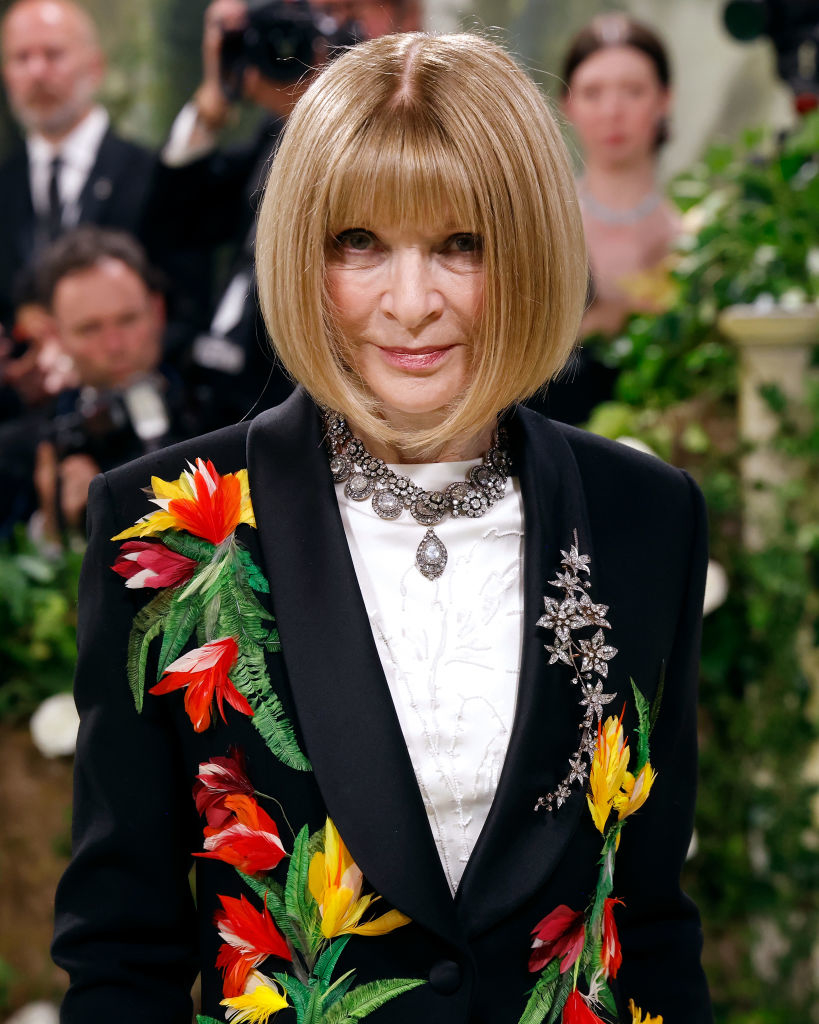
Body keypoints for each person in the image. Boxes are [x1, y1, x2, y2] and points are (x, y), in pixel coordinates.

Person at [52, 32, 712, 1024]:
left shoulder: (646, 517)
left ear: (529, 248)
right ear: (300, 254)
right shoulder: (164, 530)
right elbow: (121, 953)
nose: (412, 304)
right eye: (359, 243)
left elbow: (651, 924)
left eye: (462, 244)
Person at [144, 0, 422, 431]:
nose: (328, 28)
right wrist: (213, 100)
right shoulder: (274, 132)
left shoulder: (419, 145)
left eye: (345, 10)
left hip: (309, 420)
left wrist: (316, 110)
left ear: (407, 20)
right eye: (312, 11)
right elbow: (173, 228)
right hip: (219, 407)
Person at [0, 226, 199, 543]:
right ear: (56, 334)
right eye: (89, 328)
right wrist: (53, 527)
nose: (114, 345)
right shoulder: (27, 452)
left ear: (157, 312)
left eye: (128, 320)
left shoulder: (226, 411)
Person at [535, 14, 680, 426]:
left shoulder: (695, 238)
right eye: (593, 92)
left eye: (633, 91)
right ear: (568, 104)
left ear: (664, 99)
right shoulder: (541, 231)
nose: (613, 111)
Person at [0, 0, 155, 331]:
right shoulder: (5, 183)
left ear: (95, 67)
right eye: (22, 58)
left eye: (53, 54)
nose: (37, 72)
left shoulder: (150, 175)